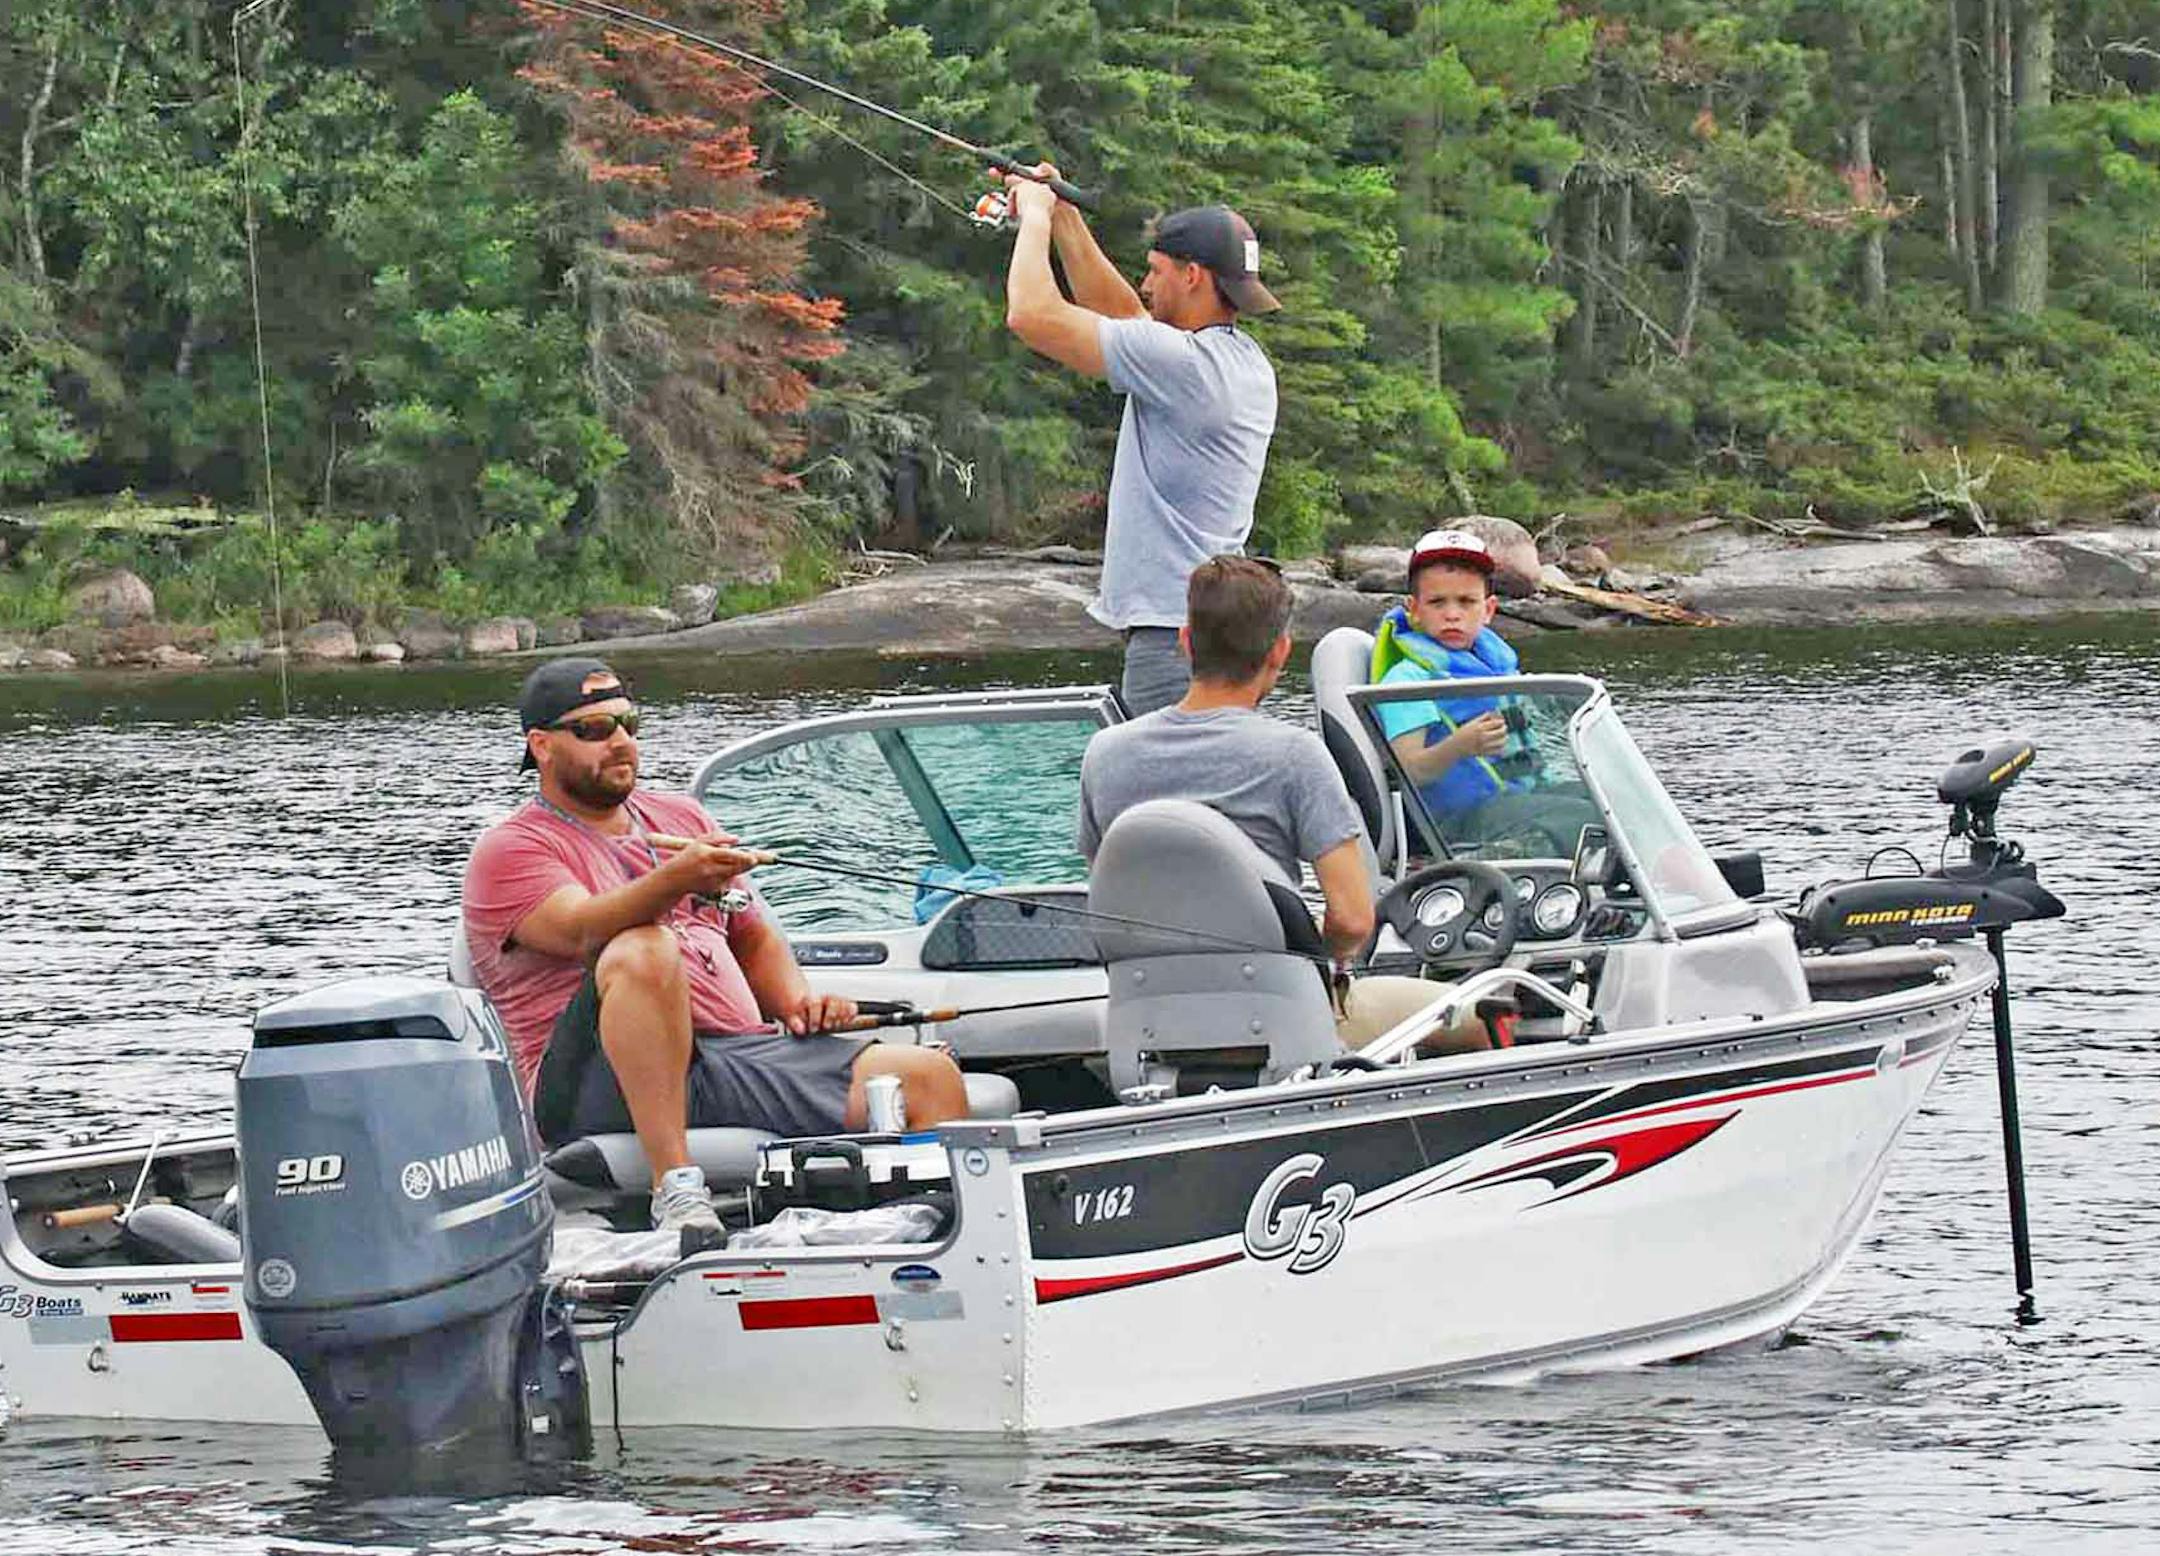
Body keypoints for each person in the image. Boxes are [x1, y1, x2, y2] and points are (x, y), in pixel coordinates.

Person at [462, 658, 968, 1235]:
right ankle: (676, 1190)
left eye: (629, 723)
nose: (621, 741)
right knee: (644, 947)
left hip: (728, 1057)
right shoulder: (511, 849)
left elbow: (751, 935)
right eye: (595, 730)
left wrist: (798, 1002)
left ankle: (922, 1251)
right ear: (542, 746)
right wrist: (677, 878)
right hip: (591, 1083)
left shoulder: (679, 816)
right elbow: (583, 929)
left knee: (930, 1077)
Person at [1075, 557, 1487, 1053]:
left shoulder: (1106, 753)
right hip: (1280, 1025)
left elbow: (1111, 894)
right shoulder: (1294, 754)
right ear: (1281, 651)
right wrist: (1311, 956)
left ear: (1185, 643)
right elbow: (1355, 920)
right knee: (1484, 1011)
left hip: (1147, 1028)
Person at [997, 166, 1279, 716]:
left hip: (1172, 639)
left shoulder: (1183, 365)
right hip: (1210, 630)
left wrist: (1032, 216)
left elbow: (1031, 315)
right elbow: (1125, 316)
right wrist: (1065, 219)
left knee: (1160, 799)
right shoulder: (1240, 361)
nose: (1146, 286)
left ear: (1192, 275)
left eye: (1154, 271)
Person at [1370, 529, 1526, 823]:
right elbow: (1409, 771)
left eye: (1466, 602)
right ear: (1414, 610)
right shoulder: (1407, 681)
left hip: (1513, 800)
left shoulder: (1497, 666)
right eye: (1437, 602)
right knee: (1579, 816)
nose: (1452, 614)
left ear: (1488, 609)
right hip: (1458, 823)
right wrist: (1459, 746)